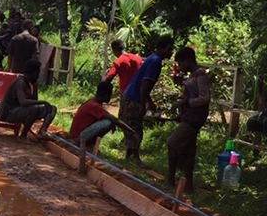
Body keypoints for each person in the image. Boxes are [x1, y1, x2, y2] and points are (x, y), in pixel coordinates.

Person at [120, 35, 176, 165]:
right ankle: (135, 158)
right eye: (169, 48)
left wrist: (148, 101)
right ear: (163, 48)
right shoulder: (156, 61)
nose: (171, 52)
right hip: (134, 97)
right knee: (136, 129)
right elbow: (145, 85)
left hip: (129, 94)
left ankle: (130, 157)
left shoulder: (152, 58)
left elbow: (144, 84)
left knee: (131, 127)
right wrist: (144, 102)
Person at [165, 47, 211, 193]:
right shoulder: (192, 75)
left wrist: (187, 103)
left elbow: (205, 98)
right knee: (189, 150)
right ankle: (188, 185)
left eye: (180, 63)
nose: (179, 66)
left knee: (172, 143)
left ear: (188, 60)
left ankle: (171, 178)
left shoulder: (200, 75)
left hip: (195, 117)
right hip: (190, 115)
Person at [69, 81, 133, 172]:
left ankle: (90, 145)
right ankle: (86, 144)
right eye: (110, 94)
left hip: (80, 133)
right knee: (108, 122)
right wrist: (131, 131)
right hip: (79, 136)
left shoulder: (92, 102)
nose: (110, 97)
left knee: (109, 121)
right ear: (105, 94)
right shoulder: (94, 105)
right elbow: (114, 119)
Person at [0, 59, 57, 139]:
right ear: (34, 73)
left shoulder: (31, 84)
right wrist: (43, 102)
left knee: (52, 108)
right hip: (8, 113)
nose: (38, 76)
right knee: (33, 109)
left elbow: (34, 100)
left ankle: (42, 131)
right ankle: (23, 136)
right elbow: (23, 102)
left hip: (21, 111)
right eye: (37, 73)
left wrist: (35, 89)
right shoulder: (20, 83)